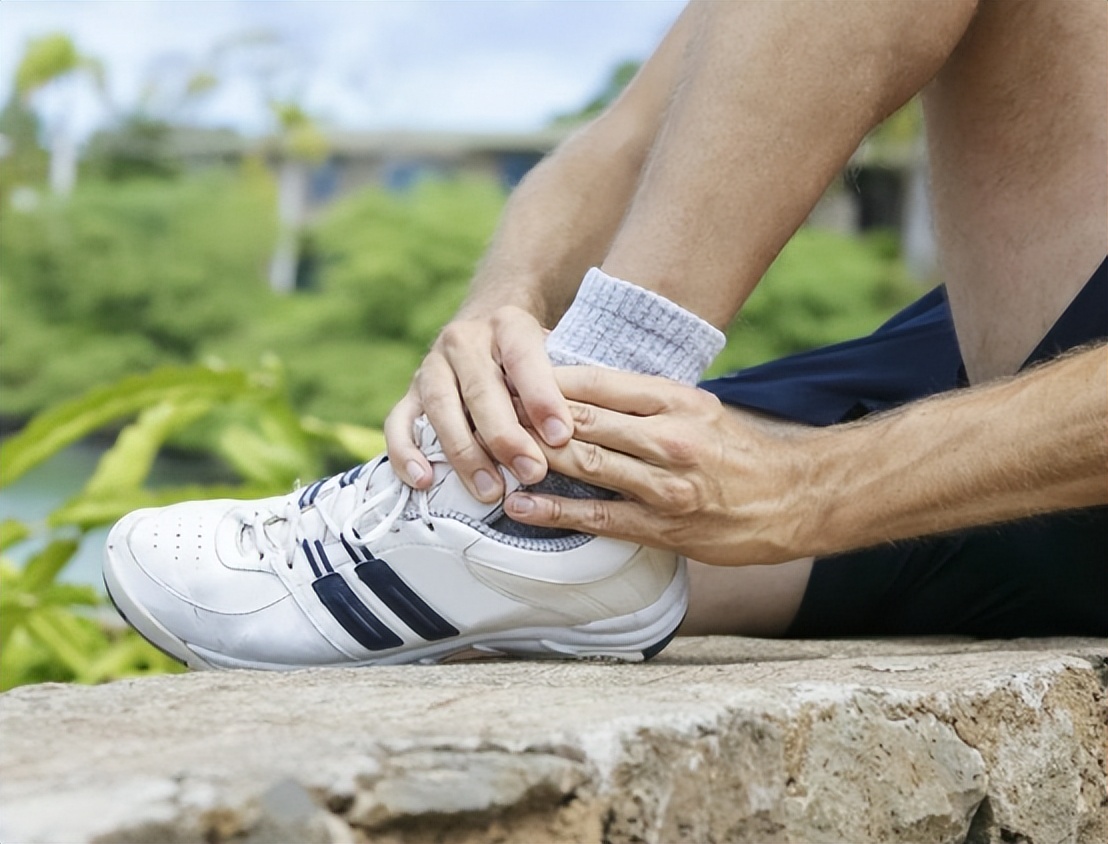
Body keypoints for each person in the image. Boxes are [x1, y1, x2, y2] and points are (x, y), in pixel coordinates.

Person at [103, 0, 1107, 671]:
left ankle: (540, 492)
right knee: (571, 544)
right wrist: (503, 314)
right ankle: (533, 494)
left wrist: (814, 491)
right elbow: (634, 134)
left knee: (559, 521)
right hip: (1009, 381)